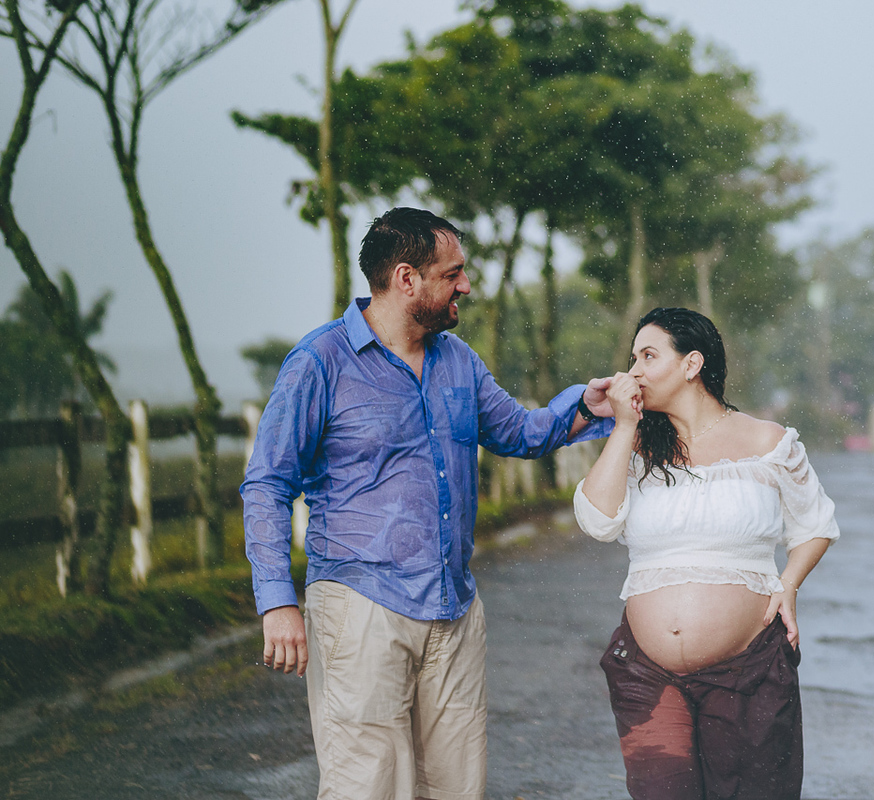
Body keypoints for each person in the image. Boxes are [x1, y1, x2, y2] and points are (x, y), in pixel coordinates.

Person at [241, 207, 613, 800]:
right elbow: (267, 483)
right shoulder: (320, 363)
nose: (465, 285)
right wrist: (276, 600)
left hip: (453, 610)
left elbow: (521, 431)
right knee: (368, 787)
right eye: (453, 273)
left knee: (455, 789)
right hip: (359, 607)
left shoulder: (457, 361)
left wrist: (587, 406)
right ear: (407, 278)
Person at [574, 307, 839, 800]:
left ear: (691, 364)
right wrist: (625, 427)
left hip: (749, 669)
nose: (634, 371)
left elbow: (815, 523)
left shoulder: (767, 441)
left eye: (648, 356)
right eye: (632, 358)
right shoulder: (637, 448)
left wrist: (789, 584)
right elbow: (597, 520)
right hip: (648, 675)